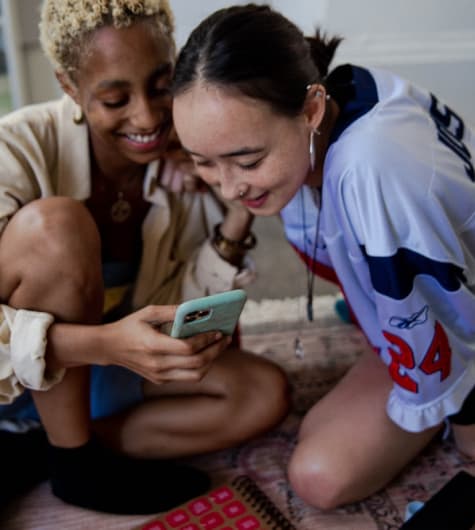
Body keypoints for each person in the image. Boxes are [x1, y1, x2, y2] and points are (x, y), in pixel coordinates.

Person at [171, 3, 475, 510]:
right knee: (316, 432)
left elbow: (435, 313)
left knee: (319, 477)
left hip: (458, 336)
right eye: (204, 162)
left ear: (311, 110)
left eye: (246, 160)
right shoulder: (339, 93)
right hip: (410, 315)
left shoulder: (371, 170)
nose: (228, 186)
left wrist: (465, 427)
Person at [0, 0, 290, 515]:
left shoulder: (192, 152)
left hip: (100, 377)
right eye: (115, 98)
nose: (149, 117)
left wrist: (231, 209)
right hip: (13, 379)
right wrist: (104, 344)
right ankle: (72, 462)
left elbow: (182, 312)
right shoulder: (15, 149)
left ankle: (38, 451)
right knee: (55, 227)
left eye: (161, 85)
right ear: (69, 86)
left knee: (263, 394)